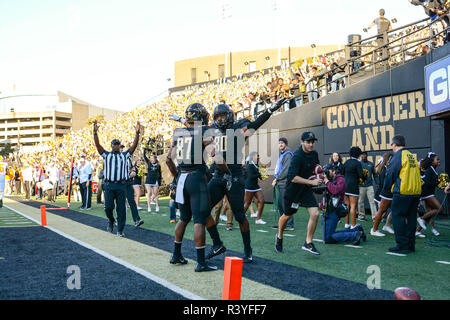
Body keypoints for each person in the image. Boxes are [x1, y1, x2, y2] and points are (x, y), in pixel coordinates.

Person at [205, 97, 287, 263]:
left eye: (223, 116)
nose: (221, 119)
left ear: (229, 115)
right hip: (219, 176)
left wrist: (270, 110)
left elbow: (255, 124)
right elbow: (198, 131)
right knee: (202, 209)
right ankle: (217, 244)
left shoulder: (237, 128)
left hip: (234, 177)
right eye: (218, 117)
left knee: (240, 216)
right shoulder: (212, 129)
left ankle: (248, 250)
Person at [166, 102, 231, 272]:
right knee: (199, 220)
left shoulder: (178, 133)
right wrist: (226, 170)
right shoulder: (204, 131)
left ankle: (176, 254)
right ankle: (201, 262)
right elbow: (214, 156)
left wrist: (176, 176)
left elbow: (167, 159)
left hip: (182, 178)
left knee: (183, 218)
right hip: (196, 178)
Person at [275, 131, 323, 255]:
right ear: (302, 142)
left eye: (312, 142)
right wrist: (311, 182)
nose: (311, 145)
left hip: (305, 189)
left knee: (315, 213)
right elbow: (292, 177)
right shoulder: (296, 156)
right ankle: (279, 236)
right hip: (293, 191)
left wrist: (321, 176)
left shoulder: (314, 154)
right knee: (287, 215)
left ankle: (308, 242)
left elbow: (316, 168)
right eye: (308, 142)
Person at [93, 120, 141, 237]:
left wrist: (137, 134)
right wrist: (95, 132)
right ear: (111, 146)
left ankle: (120, 230)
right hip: (109, 185)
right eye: (114, 144)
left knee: (121, 209)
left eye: (117, 144)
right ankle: (111, 220)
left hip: (121, 185)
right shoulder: (106, 155)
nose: (116, 146)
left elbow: (133, 147)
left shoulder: (124, 155)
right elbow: (98, 145)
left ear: (119, 146)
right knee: (108, 207)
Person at [382, 135, 422, 254]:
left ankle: (402, 245)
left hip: (402, 191)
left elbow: (391, 173)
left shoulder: (398, 156)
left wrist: (386, 188)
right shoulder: (411, 155)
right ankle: (410, 245)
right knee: (411, 219)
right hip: (415, 192)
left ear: (394, 144)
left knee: (397, 217)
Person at [321, 164, 366, 245]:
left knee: (328, 238)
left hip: (333, 211)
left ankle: (355, 235)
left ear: (334, 171)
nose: (326, 174)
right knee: (328, 235)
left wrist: (327, 182)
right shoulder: (330, 179)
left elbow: (335, 190)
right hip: (327, 210)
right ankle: (356, 230)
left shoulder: (340, 179)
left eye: (328, 171)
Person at [416, 153, 443, 236]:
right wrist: (438, 182)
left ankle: (417, 231)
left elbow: (433, 183)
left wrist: (442, 185)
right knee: (440, 208)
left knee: (430, 212)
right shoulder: (429, 170)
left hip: (428, 193)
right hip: (426, 193)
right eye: (437, 159)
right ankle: (421, 218)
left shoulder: (432, 169)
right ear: (432, 162)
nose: (439, 161)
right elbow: (427, 183)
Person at [272, 137, 295, 231]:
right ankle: (283, 223)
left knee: (286, 204)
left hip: (285, 183)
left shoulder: (288, 154)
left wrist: (276, 179)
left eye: (282, 143)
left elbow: (285, 171)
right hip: (280, 183)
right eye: (279, 143)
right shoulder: (282, 154)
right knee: (281, 204)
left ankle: (289, 225)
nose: (280, 144)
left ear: (286, 144)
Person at [370, 153, 394, 236]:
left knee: (394, 210)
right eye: (391, 159)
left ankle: (386, 226)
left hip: (388, 194)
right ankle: (374, 229)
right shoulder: (384, 169)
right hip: (383, 194)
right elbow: (385, 183)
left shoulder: (387, 168)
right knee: (382, 212)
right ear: (388, 160)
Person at [121, 145, 144, 228]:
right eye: (120, 148)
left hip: (128, 182)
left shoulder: (127, 159)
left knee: (132, 201)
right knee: (120, 203)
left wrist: (133, 171)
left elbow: (132, 168)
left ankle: (137, 219)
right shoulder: (114, 159)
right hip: (119, 183)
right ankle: (119, 219)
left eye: (122, 148)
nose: (121, 149)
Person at [243, 152, 266, 225]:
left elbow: (259, 176)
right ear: (253, 157)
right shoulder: (250, 165)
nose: (258, 157)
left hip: (256, 186)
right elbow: (251, 176)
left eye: (259, 156)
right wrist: (260, 174)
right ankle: (240, 217)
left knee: (262, 201)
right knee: (247, 203)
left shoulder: (256, 164)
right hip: (249, 187)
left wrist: (263, 176)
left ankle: (258, 219)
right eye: (257, 156)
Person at [357, 151, 378, 221]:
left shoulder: (371, 164)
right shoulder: (359, 164)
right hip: (361, 185)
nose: (363, 156)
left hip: (369, 186)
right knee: (360, 201)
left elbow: (374, 174)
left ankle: (375, 217)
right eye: (362, 155)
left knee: (372, 201)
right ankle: (361, 216)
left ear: (367, 155)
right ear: (360, 156)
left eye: (365, 155)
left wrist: (377, 182)